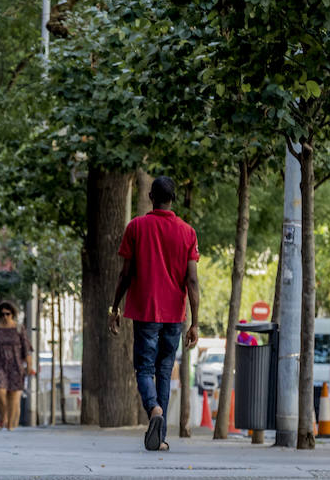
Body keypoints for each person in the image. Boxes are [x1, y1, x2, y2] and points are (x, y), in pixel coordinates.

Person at [108, 175, 199, 453]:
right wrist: (195, 321)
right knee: (163, 370)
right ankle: (159, 438)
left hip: (145, 310)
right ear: (173, 198)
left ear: (151, 196)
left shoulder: (136, 227)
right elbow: (192, 280)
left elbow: (126, 273)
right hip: (174, 313)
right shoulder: (187, 232)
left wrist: (115, 307)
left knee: (145, 368)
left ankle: (155, 410)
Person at [0, 298, 36, 431]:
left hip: (16, 364)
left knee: (14, 396)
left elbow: (26, 348)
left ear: (12, 314)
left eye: (7, 314)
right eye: (2, 314)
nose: (5, 317)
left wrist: (29, 366)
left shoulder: (19, 328)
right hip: (0, 364)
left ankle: (10, 425)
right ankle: (5, 415)